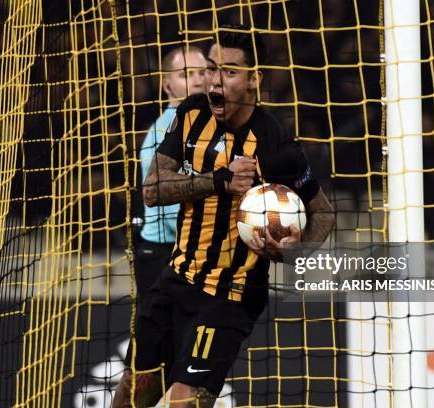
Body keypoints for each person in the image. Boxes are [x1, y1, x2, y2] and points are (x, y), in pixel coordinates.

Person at [113, 24, 334, 408]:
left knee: (186, 401)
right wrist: (218, 181)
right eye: (211, 68)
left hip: (229, 296)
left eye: (228, 72)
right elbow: (152, 191)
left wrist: (293, 252)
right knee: (133, 393)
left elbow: (323, 214)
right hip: (175, 279)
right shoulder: (190, 114)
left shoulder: (276, 144)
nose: (214, 81)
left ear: (254, 80)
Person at [136, 46, 206, 295]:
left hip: (186, 250)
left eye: (203, 72)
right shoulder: (165, 133)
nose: (198, 81)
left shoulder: (202, 124)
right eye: (186, 75)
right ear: (167, 86)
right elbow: (169, 210)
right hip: (164, 257)